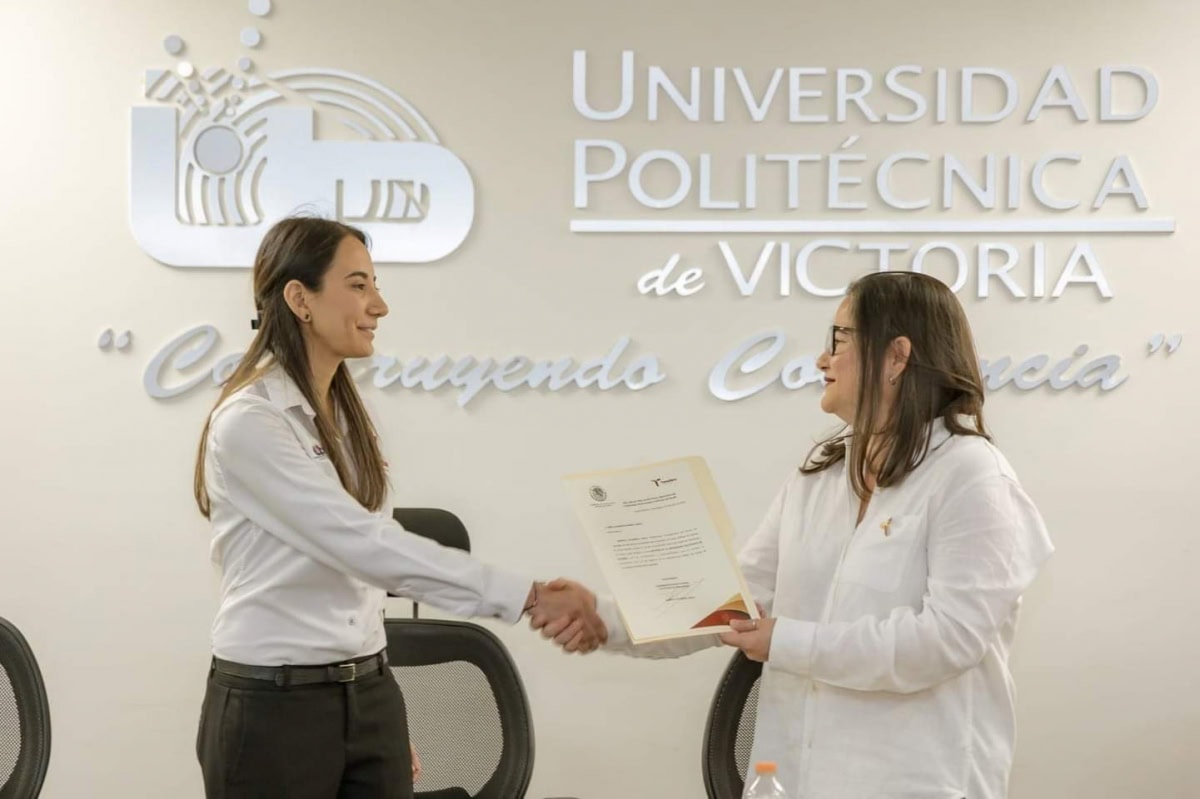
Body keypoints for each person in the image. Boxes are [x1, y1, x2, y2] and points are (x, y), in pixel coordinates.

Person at [533, 271, 1054, 798]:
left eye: (840, 340)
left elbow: (946, 640)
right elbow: (732, 603)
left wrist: (785, 642)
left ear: (897, 357)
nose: (823, 360)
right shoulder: (820, 476)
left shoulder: (972, 475)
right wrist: (605, 619)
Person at [192, 216, 606, 799]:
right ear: (299, 299)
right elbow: (364, 547)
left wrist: (374, 713)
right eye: (358, 285)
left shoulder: (346, 417)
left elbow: (362, 577)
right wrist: (529, 596)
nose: (379, 306)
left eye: (375, 285)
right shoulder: (250, 423)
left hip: (366, 694)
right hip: (274, 709)